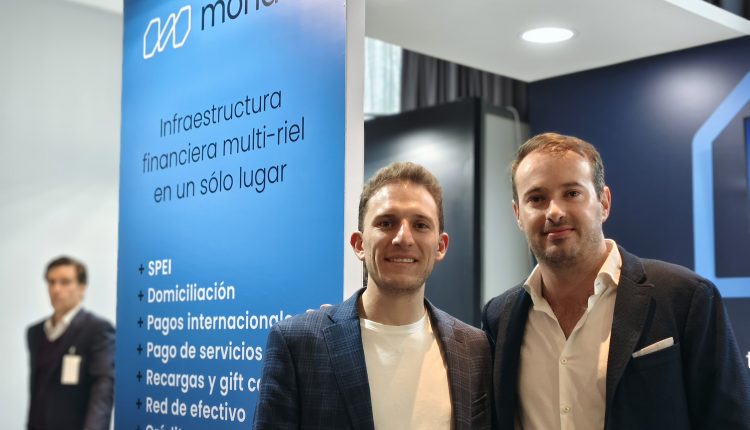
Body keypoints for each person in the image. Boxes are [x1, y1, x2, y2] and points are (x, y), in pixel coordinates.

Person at [482, 132, 750, 430]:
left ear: (604, 202)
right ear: (518, 214)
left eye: (572, 193)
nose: (554, 212)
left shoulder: (685, 297)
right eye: (536, 199)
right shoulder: (499, 318)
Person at [254, 162, 492, 429]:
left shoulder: (475, 349)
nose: (403, 238)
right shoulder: (298, 345)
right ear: (359, 244)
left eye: (420, 225)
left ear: (441, 246)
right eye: (386, 223)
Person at [27, 256, 115, 430]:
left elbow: (103, 388)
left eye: (65, 282)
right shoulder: (35, 332)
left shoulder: (97, 330)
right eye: (51, 282)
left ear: (82, 288)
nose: (56, 289)